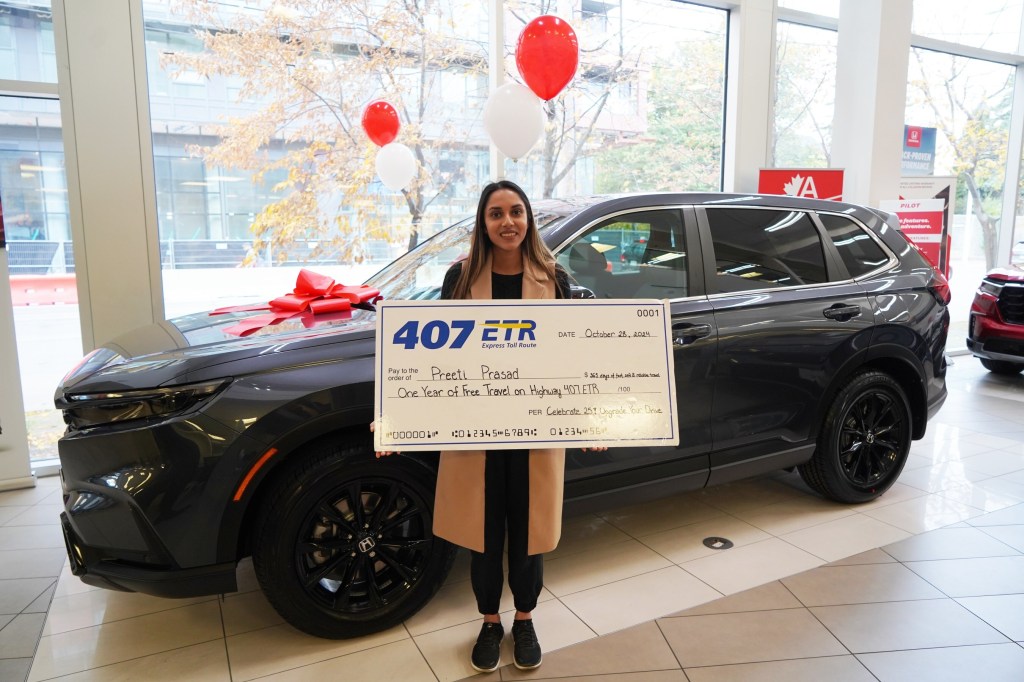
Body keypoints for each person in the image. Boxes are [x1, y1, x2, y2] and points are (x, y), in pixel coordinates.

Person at [375, 180, 606, 673]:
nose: (508, 222)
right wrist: (397, 421)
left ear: (528, 220)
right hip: (476, 433)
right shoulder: (459, 279)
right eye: (496, 213)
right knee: (482, 534)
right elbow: (429, 360)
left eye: (516, 212)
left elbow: (573, 361)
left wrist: (588, 420)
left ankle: (523, 618)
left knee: (528, 533)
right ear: (483, 222)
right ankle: (488, 621)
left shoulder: (554, 279)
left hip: (535, 434)